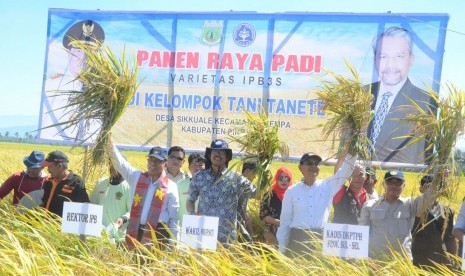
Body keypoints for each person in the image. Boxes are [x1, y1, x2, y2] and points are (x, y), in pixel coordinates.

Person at [367, 26, 434, 164]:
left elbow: (424, 156)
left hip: (396, 181)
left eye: (399, 56)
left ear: (411, 59)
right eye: (383, 56)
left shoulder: (425, 102)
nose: (390, 65)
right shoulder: (358, 96)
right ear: (375, 60)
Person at [276, 152, 357, 256]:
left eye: (317, 163)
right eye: (309, 163)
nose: (313, 166)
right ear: (300, 167)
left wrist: (353, 149)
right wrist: (282, 250)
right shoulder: (291, 191)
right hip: (297, 240)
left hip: (320, 239)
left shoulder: (327, 186)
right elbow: (285, 222)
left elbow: (346, 172)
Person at [186, 139, 257, 245]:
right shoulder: (199, 177)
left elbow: (256, 194)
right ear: (210, 155)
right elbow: (190, 200)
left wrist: (264, 174)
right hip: (203, 233)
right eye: (214, 151)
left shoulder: (236, 178)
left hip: (227, 237)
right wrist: (192, 214)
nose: (217, 154)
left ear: (227, 156)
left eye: (221, 152)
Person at [111, 144, 179, 249]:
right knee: (133, 263)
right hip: (135, 230)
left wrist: (174, 241)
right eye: (150, 160)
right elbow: (120, 163)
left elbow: (173, 217)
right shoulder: (137, 177)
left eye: (157, 161)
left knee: (152, 264)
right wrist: (109, 144)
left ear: (165, 164)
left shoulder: (170, 186)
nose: (152, 164)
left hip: (158, 234)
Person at [359, 169, 423, 259]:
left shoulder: (411, 204)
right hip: (375, 261)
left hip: (402, 263)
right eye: (389, 182)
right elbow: (361, 234)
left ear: (404, 185)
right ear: (383, 184)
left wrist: (441, 177)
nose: (393, 186)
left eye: (398, 183)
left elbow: (429, 197)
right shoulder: (370, 205)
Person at [411, 175, 456, 269]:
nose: (432, 191)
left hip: (440, 262)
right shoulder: (413, 208)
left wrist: (454, 259)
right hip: (418, 261)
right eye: (428, 187)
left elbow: (450, 238)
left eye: (436, 187)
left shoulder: (448, 211)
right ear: (421, 189)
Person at [89, 161, 131, 244]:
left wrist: (122, 219)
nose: (113, 167)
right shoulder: (101, 183)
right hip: (98, 234)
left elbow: (132, 211)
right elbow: (92, 204)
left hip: (118, 237)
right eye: (111, 164)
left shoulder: (129, 186)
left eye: (116, 165)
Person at [40, 151, 89, 217]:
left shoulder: (76, 182)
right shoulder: (49, 182)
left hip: (62, 226)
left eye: (49, 166)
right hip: (45, 224)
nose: (48, 170)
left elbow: (83, 208)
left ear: (60, 166)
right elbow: (44, 203)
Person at [260, 167, 293, 245]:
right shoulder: (269, 195)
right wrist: (281, 223)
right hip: (271, 231)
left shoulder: (293, 195)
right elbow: (263, 215)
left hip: (290, 230)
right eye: (281, 178)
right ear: (276, 179)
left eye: (287, 178)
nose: (284, 181)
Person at [177, 153, 205, 222]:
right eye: (194, 164)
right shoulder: (180, 185)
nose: (197, 168)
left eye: (200, 165)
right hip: (184, 228)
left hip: (205, 226)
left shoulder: (211, 186)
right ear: (189, 167)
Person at [237, 162, 258, 242]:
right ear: (247, 171)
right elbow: (257, 194)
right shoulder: (243, 183)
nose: (255, 176)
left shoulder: (239, 180)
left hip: (240, 220)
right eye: (254, 173)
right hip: (236, 220)